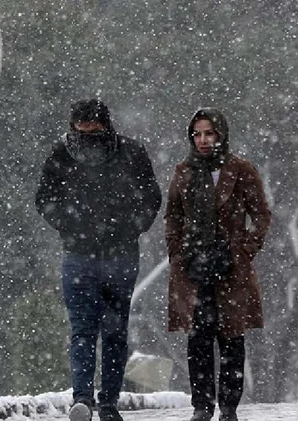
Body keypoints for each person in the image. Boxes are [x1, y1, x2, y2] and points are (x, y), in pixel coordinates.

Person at [35, 99, 162, 421]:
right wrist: (76, 226)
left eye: (93, 132)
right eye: (83, 132)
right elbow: (45, 198)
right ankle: (91, 400)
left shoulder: (129, 153)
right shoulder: (65, 154)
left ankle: (100, 401)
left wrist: (124, 229)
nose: (88, 139)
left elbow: (150, 198)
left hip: (108, 254)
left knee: (101, 332)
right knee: (95, 330)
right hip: (87, 254)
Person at [164, 108, 271, 421]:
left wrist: (242, 251)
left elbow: (262, 215)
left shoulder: (240, 169)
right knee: (198, 339)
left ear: (221, 134)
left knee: (231, 338)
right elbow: (173, 215)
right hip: (193, 268)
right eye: (197, 133)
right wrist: (178, 253)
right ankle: (201, 405)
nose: (203, 140)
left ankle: (228, 407)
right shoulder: (184, 171)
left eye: (209, 133)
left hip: (230, 269)